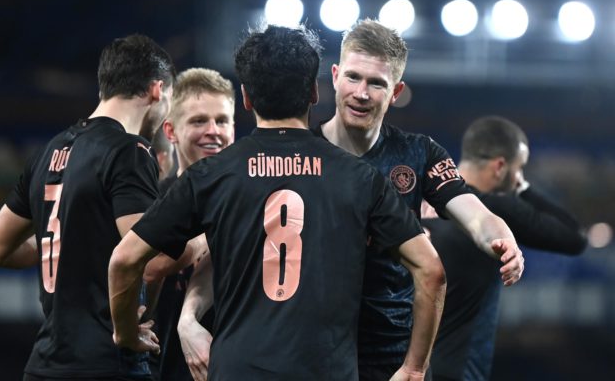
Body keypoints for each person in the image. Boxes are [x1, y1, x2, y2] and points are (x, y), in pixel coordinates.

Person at [108, 24, 446, 381]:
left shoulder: (211, 175)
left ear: (247, 98)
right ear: (315, 92)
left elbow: (125, 259)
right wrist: (413, 368)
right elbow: (432, 271)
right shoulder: (359, 178)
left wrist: (126, 333)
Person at [308, 19, 525, 380]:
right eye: (353, 77)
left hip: (391, 356)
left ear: (396, 91)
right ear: (334, 75)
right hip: (313, 349)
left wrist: (505, 241)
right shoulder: (301, 152)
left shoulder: (419, 153)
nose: (361, 93)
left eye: (376, 83)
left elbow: (473, 212)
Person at [0, 33, 175, 380]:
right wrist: (128, 332)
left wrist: (61, 247)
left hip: (44, 365)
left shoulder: (48, 152)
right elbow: (148, 256)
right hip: (106, 363)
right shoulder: (129, 151)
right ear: (157, 90)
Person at [423, 116, 587, 381]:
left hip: (407, 368)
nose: (517, 177)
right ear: (500, 166)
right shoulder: (495, 210)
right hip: (460, 371)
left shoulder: (420, 200)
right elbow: (574, 237)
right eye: (518, 168)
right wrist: (523, 188)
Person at [143, 67, 236, 381]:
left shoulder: (254, 199)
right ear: (171, 131)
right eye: (199, 121)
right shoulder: (151, 200)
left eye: (222, 120)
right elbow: (147, 268)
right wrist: (211, 235)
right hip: (162, 369)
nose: (213, 131)